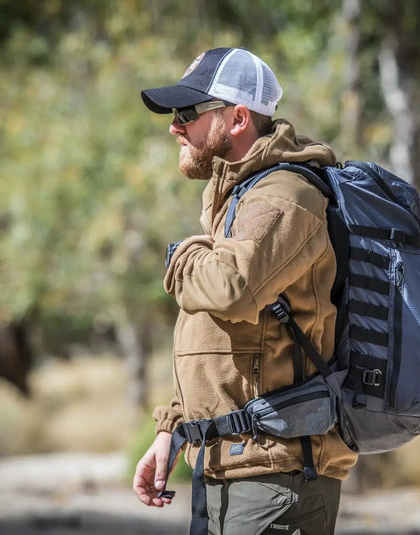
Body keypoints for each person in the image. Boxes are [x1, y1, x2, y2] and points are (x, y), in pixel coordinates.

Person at [133, 47, 357, 535]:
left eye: (187, 113)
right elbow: (216, 332)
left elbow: (230, 288)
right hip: (226, 468)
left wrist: (182, 254)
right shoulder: (239, 197)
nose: (175, 127)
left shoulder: (285, 196)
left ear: (237, 118)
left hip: (275, 478)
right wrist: (173, 429)